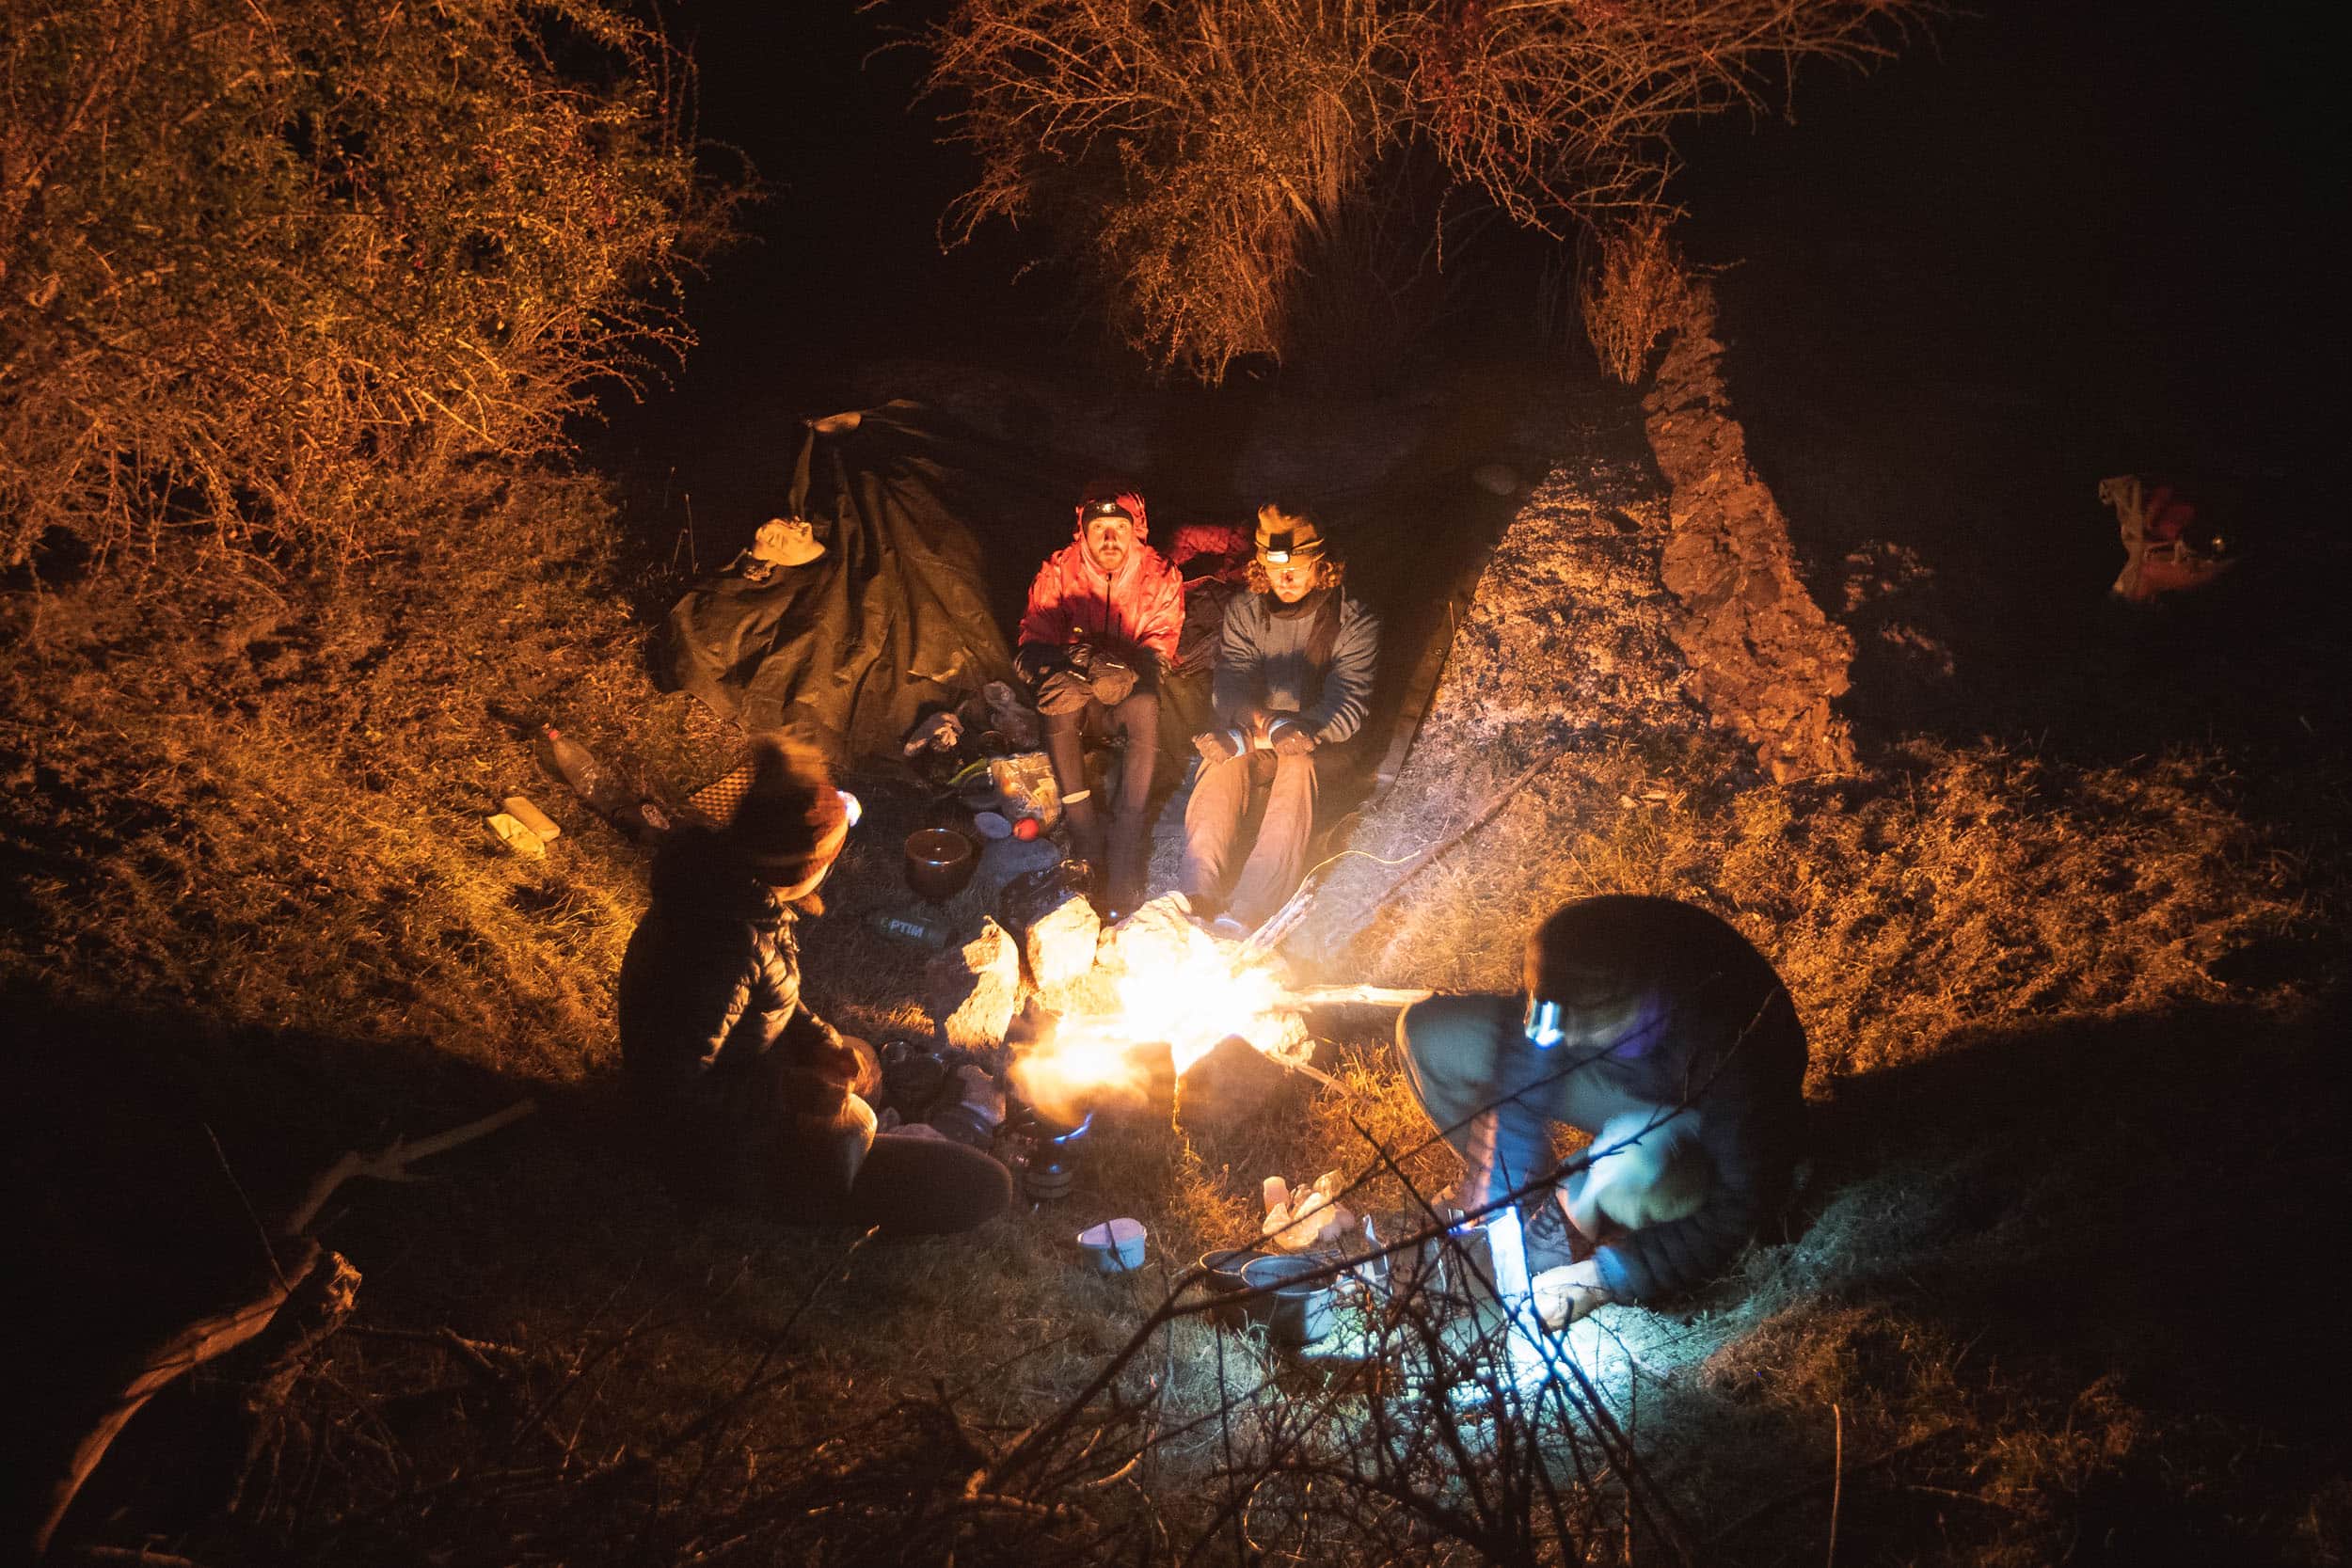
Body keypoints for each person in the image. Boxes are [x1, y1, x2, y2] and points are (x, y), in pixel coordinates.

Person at [617, 736, 1012, 1235]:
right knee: (983, 1185)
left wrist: (815, 1039)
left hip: (744, 1085)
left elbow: (764, 993)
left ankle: (865, 1135)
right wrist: (789, 1094)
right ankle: (815, 1206)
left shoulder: (733, 892)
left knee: (859, 1058)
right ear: (808, 867)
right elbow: (665, 1098)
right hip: (721, 1154)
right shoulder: (723, 943)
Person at [1395, 895, 1807, 1326]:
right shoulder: (1574, 972)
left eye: (1578, 1023)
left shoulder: (1734, 1042)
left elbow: (1738, 1208)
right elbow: (1520, 1086)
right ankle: (1541, 1214)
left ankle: (1586, 1204)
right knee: (1432, 1033)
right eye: (1550, 1015)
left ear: (1637, 1002)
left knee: (1647, 1171)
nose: (1560, 1038)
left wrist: (1604, 1278)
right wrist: (1502, 1197)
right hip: (1624, 1074)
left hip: (1701, 1113)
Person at [1180, 502, 1379, 932]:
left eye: (1298, 567)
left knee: (1295, 759)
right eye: (1274, 569)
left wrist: (1258, 736)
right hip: (1261, 730)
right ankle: (1196, 897)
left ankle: (1247, 912)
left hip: (1323, 741)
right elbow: (1231, 683)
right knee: (1221, 760)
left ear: (1321, 563)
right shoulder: (1246, 611)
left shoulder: (1352, 618)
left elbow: (1345, 709)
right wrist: (1257, 730)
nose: (1285, 579)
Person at [1015, 482, 1184, 915]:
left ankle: (1127, 840)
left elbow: (1160, 647)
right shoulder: (1059, 571)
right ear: (1082, 531)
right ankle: (1085, 830)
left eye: (1119, 528)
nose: (1109, 540)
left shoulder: (1160, 575)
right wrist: (1073, 660)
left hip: (1125, 692)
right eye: (1099, 529)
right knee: (1061, 697)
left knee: (1146, 706)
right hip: (1079, 695)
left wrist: (1124, 667)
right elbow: (1031, 642)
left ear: (1137, 530)